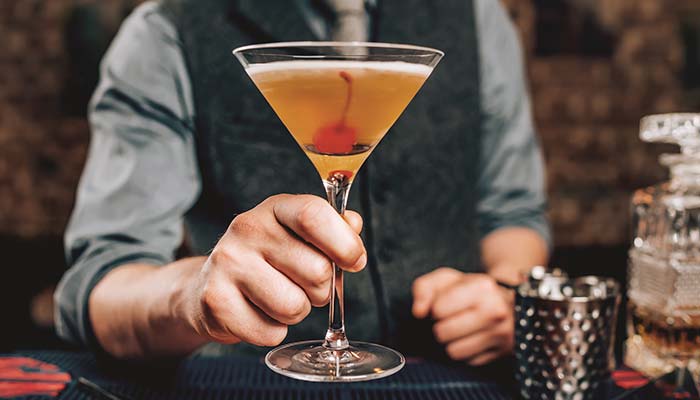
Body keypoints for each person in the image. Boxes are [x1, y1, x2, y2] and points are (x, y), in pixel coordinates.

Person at [55, 0, 550, 365]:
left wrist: (507, 293)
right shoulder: (168, 29)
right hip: (245, 385)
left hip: (454, 380)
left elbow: (513, 214)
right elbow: (99, 286)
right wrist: (193, 293)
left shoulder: (477, 17)